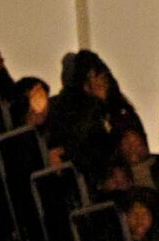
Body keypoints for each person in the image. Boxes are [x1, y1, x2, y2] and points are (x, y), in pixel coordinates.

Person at [52, 50, 145, 179]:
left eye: (101, 78)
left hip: (127, 165)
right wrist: (97, 104)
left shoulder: (118, 105)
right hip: (97, 170)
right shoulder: (71, 109)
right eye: (92, 79)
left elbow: (133, 129)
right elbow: (83, 141)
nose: (100, 83)